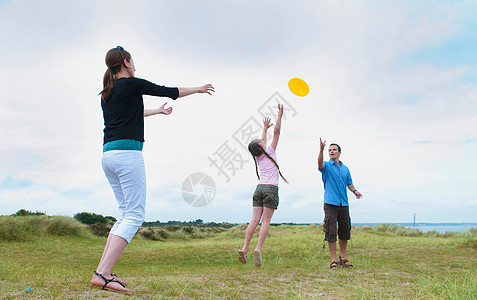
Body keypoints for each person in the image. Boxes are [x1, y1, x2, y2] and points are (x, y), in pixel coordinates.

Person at [91, 46, 214, 294]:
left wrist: (157, 111)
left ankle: (101, 271)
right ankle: (103, 274)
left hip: (109, 156)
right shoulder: (132, 84)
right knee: (135, 216)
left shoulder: (107, 92)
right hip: (128, 155)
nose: (134, 64)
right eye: (132, 60)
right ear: (125, 62)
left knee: (125, 213)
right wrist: (199, 89)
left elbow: (129, 115)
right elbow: (170, 91)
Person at [238, 104, 288, 268]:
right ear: (262, 147)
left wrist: (264, 128)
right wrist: (280, 116)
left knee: (254, 220)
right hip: (270, 188)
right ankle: (258, 249)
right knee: (265, 221)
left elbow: (263, 140)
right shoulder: (271, 152)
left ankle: (245, 248)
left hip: (258, 189)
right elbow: (277, 133)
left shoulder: (259, 157)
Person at [317, 138, 362, 270]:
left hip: (344, 204)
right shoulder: (326, 167)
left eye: (334, 150)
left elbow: (349, 183)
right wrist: (321, 150)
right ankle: (333, 260)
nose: (331, 152)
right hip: (330, 203)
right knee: (331, 232)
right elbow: (319, 164)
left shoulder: (345, 169)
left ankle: (343, 258)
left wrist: (355, 191)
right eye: (330, 150)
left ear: (339, 152)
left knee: (344, 231)